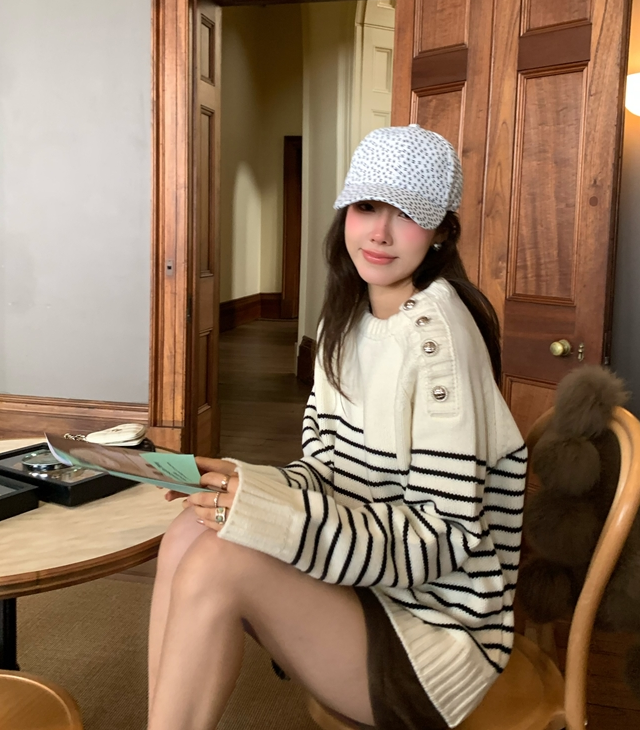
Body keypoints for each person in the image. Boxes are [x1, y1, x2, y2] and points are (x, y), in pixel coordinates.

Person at [147, 123, 527, 730]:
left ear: (441, 232)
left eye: (407, 214)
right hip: (368, 588)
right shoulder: (345, 320)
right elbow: (328, 468)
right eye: (367, 206)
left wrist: (277, 519)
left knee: (219, 562)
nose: (379, 232)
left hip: (435, 637)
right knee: (190, 529)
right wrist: (243, 485)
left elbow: (446, 535)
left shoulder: (441, 344)